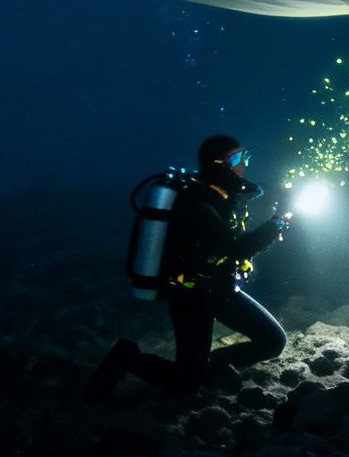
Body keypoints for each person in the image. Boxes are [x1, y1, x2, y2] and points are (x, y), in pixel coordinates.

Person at [86, 134, 292, 399]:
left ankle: (214, 365)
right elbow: (233, 248)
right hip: (191, 296)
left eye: (246, 155)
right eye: (238, 158)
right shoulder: (199, 204)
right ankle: (128, 357)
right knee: (184, 385)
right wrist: (274, 226)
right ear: (218, 163)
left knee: (273, 341)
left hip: (222, 289)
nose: (244, 164)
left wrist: (280, 202)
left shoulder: (226, 195)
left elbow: (244, 219)